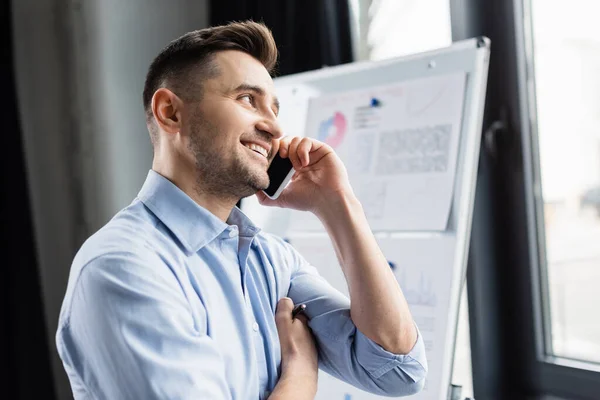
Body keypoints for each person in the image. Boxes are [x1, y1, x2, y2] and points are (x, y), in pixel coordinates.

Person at [56, 21, 427, 400]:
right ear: (170, 113)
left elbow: (397, 370)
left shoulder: (272, 260)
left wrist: (338, 204)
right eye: (248, 99)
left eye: (274, 107)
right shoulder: (121, 267)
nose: (273, 125)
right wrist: (301, 374)